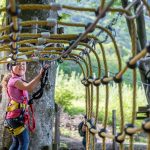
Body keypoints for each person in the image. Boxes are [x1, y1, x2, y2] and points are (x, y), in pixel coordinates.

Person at [2, 54, 49, 150]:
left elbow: (28, 86)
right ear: (11, 67)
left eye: (23, 64)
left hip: (14, 117)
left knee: (16, 143)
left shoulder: (17, 79)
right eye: (18, 64)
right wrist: (40, 75)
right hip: (15, 118)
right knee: (24, 142)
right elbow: (29, 87)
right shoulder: (14, 81)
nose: (21, 66)